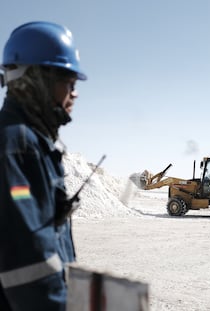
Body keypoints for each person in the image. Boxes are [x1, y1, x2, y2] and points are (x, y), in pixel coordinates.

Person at [0, 21, 87, 310]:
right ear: (36, 79)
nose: (74, 93)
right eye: (68, 82)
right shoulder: (17, 147)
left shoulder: (34, 143)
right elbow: (28, 268)